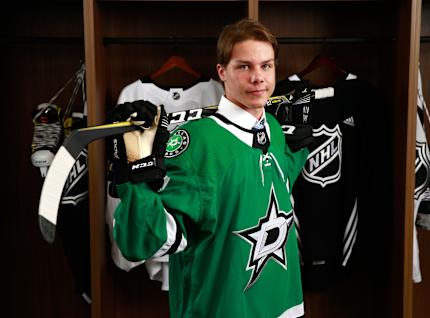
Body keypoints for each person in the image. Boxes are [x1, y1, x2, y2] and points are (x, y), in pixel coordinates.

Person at [108, 18, 312, 318]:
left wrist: (297, 152)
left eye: (266, 66)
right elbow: (140, 243)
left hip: (283, 304)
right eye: (244, 66)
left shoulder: (273, 129)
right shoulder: (195, 145)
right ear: (222, 72)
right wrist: (138, 176)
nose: (258, 78)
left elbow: (257, 191)